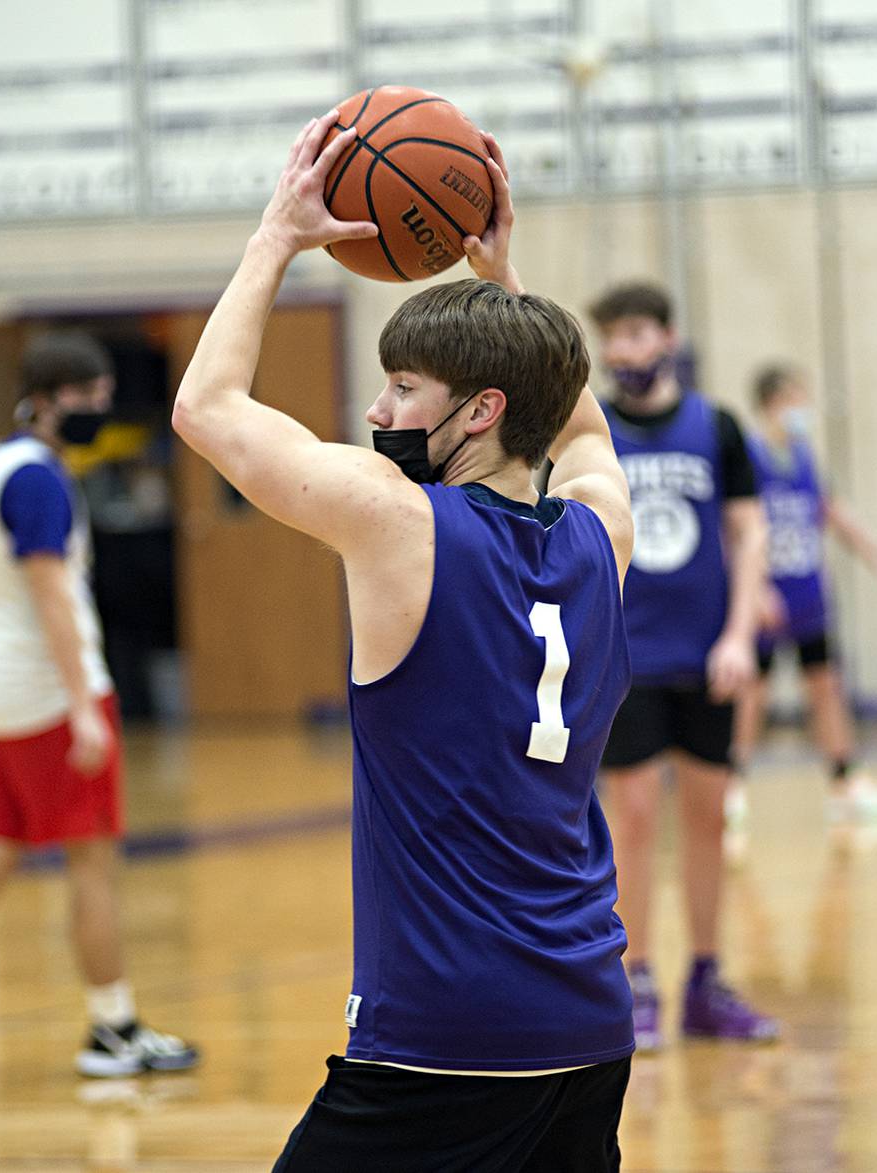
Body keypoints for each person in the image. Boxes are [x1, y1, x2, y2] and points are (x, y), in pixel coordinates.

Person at [174, 113, 637, 1171]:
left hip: (443, 1039)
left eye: (403, 390)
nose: (377, 408)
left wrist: (278, 235)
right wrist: (505, 277)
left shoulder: (396, 524)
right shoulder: (603, 533)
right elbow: (584, 435)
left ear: (479, 412)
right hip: (588, 1024)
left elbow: (207, 407)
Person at [0, 333, 200, 1082]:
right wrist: (84, 704)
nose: (99, 412)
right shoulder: (39, 481)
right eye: (89, 401)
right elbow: (52, 592)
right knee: (93, 863)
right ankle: (113, 1026)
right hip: (48, 697)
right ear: (49, 399)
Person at [588, 281, 776, 1051]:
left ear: (668, 337)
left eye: (638, 333)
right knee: (631, 819)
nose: (626, 350)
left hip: (707, 656)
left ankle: (705, 979)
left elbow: (750, 534)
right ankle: (635, 980)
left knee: (706, 818)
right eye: (613, 337)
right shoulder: (589, 427)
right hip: (624, 656)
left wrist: (739, 636)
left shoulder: (717, 424)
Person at [728, 363, 877, 841]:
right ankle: (733, 784)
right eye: (794, 399)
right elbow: (734, 528)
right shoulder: (751, 456)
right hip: (769, 597)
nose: (802, 409)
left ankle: (844, 781)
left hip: (808, 596)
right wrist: (757, 588)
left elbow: (831, 512)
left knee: (826, 688)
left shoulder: (803, 456)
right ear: (771, 402)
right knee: (753, 695)